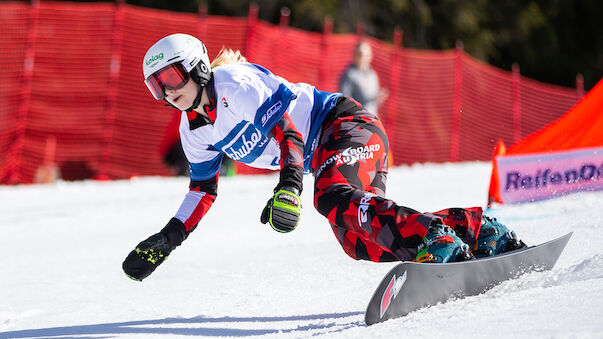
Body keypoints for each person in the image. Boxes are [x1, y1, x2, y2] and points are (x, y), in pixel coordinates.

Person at [122, 34, 525, 281]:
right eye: (155, 86)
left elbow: (289, 133)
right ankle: (475, 229)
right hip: (324, 152)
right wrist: (168, 238)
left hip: (346, 123)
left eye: (171, 78)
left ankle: (435, 240)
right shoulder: (193, 131)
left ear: (196, 68)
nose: (166, 91)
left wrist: (290, 187)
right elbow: (203, 190)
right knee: (356, 241)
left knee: (329, 196)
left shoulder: (234, 85)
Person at [338, 42, 387, 116]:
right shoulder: (349, 75)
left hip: (372, 118)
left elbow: (374, 104)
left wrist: (378, 98)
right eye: (360, 55)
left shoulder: (373, 75)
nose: (363, 58)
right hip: (357, 119)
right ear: (354, 56)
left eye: (367, 55)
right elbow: (345, 101)